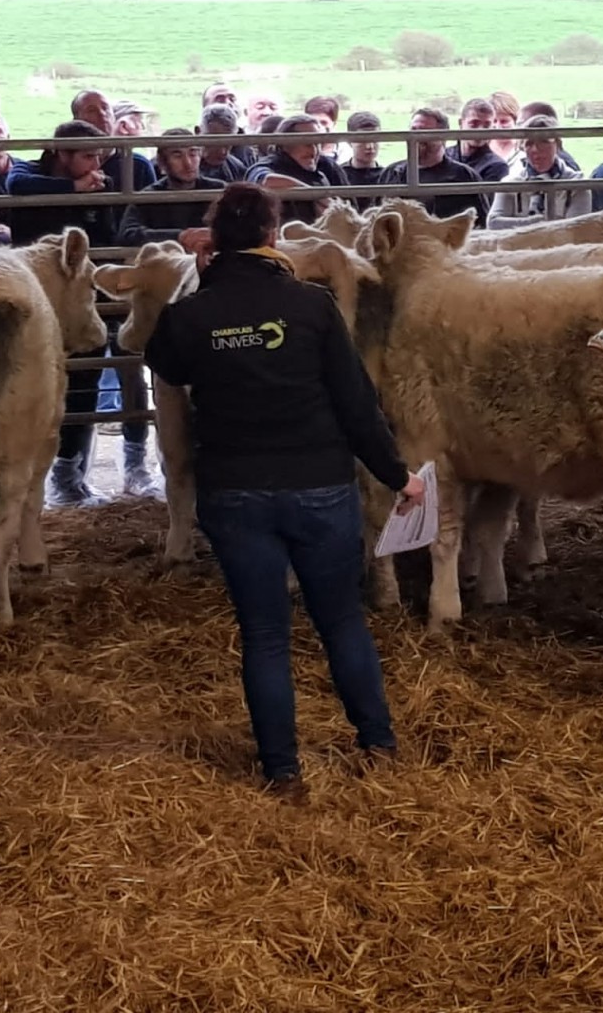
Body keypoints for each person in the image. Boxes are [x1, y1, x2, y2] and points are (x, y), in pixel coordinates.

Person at [144, 183, 426, 796]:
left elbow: (165, 362)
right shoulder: (312, 306)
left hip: (235, 489)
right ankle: (376, 742)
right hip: (319, 483)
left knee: (265, 632)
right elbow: (357, 404)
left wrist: (203, 285)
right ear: (274, 235)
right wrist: (397, 474)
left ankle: (283, 769)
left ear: (214, 240)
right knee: (342, 619)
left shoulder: (193, 312)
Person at [6, 120, 120, 505]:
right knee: (30, 386)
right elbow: (16, 187)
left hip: (76, 302)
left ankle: (71, 475)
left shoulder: (98, 185)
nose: (95, 164)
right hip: (32, 300)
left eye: (99, 155)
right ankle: (23, 477)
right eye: (87, 156)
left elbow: (106, 237)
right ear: (61, 154)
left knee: (85, 380)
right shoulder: (28, 173)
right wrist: (72, 189)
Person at [118, 128, 226, 246]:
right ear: (161, 161)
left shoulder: (218, 190)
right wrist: (179, 236)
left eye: (193, 153)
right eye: (177, 156)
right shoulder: (148, 197)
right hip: (166, 262)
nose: (188, 163)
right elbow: (127, 234)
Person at [380, 108, 487, 223]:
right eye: (413, 130)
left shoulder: (464, 176)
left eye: (424, 131)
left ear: (443, 137)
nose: (416, 137)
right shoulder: (391, 173)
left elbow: (481, 224)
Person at [489, 114, 589, 227]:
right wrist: (535, 223)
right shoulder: (511, 184)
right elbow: (493, 223)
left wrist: (520, 225)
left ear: (558, 144)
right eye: (529, 143)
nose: (536, 149)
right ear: (522, 148)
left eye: (544, 141)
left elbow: (576, 229)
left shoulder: (577, 184)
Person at [448, 98, 512, 184]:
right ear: (461, 123)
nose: (480, 130)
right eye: (474, 124)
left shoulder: (496, 165)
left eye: (486, 125)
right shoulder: (444, 155)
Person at [342, 110, 386, 206]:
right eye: (363, 140)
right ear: (349, 141)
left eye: (375, 139)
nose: (370, 146)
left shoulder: (387, 175)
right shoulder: (339, 175)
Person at [199, 102, 253, 180]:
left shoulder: (237, 167)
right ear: (198, 132)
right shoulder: (184, 166)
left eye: (228, 143)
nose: (222, 152)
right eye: (215, 142)